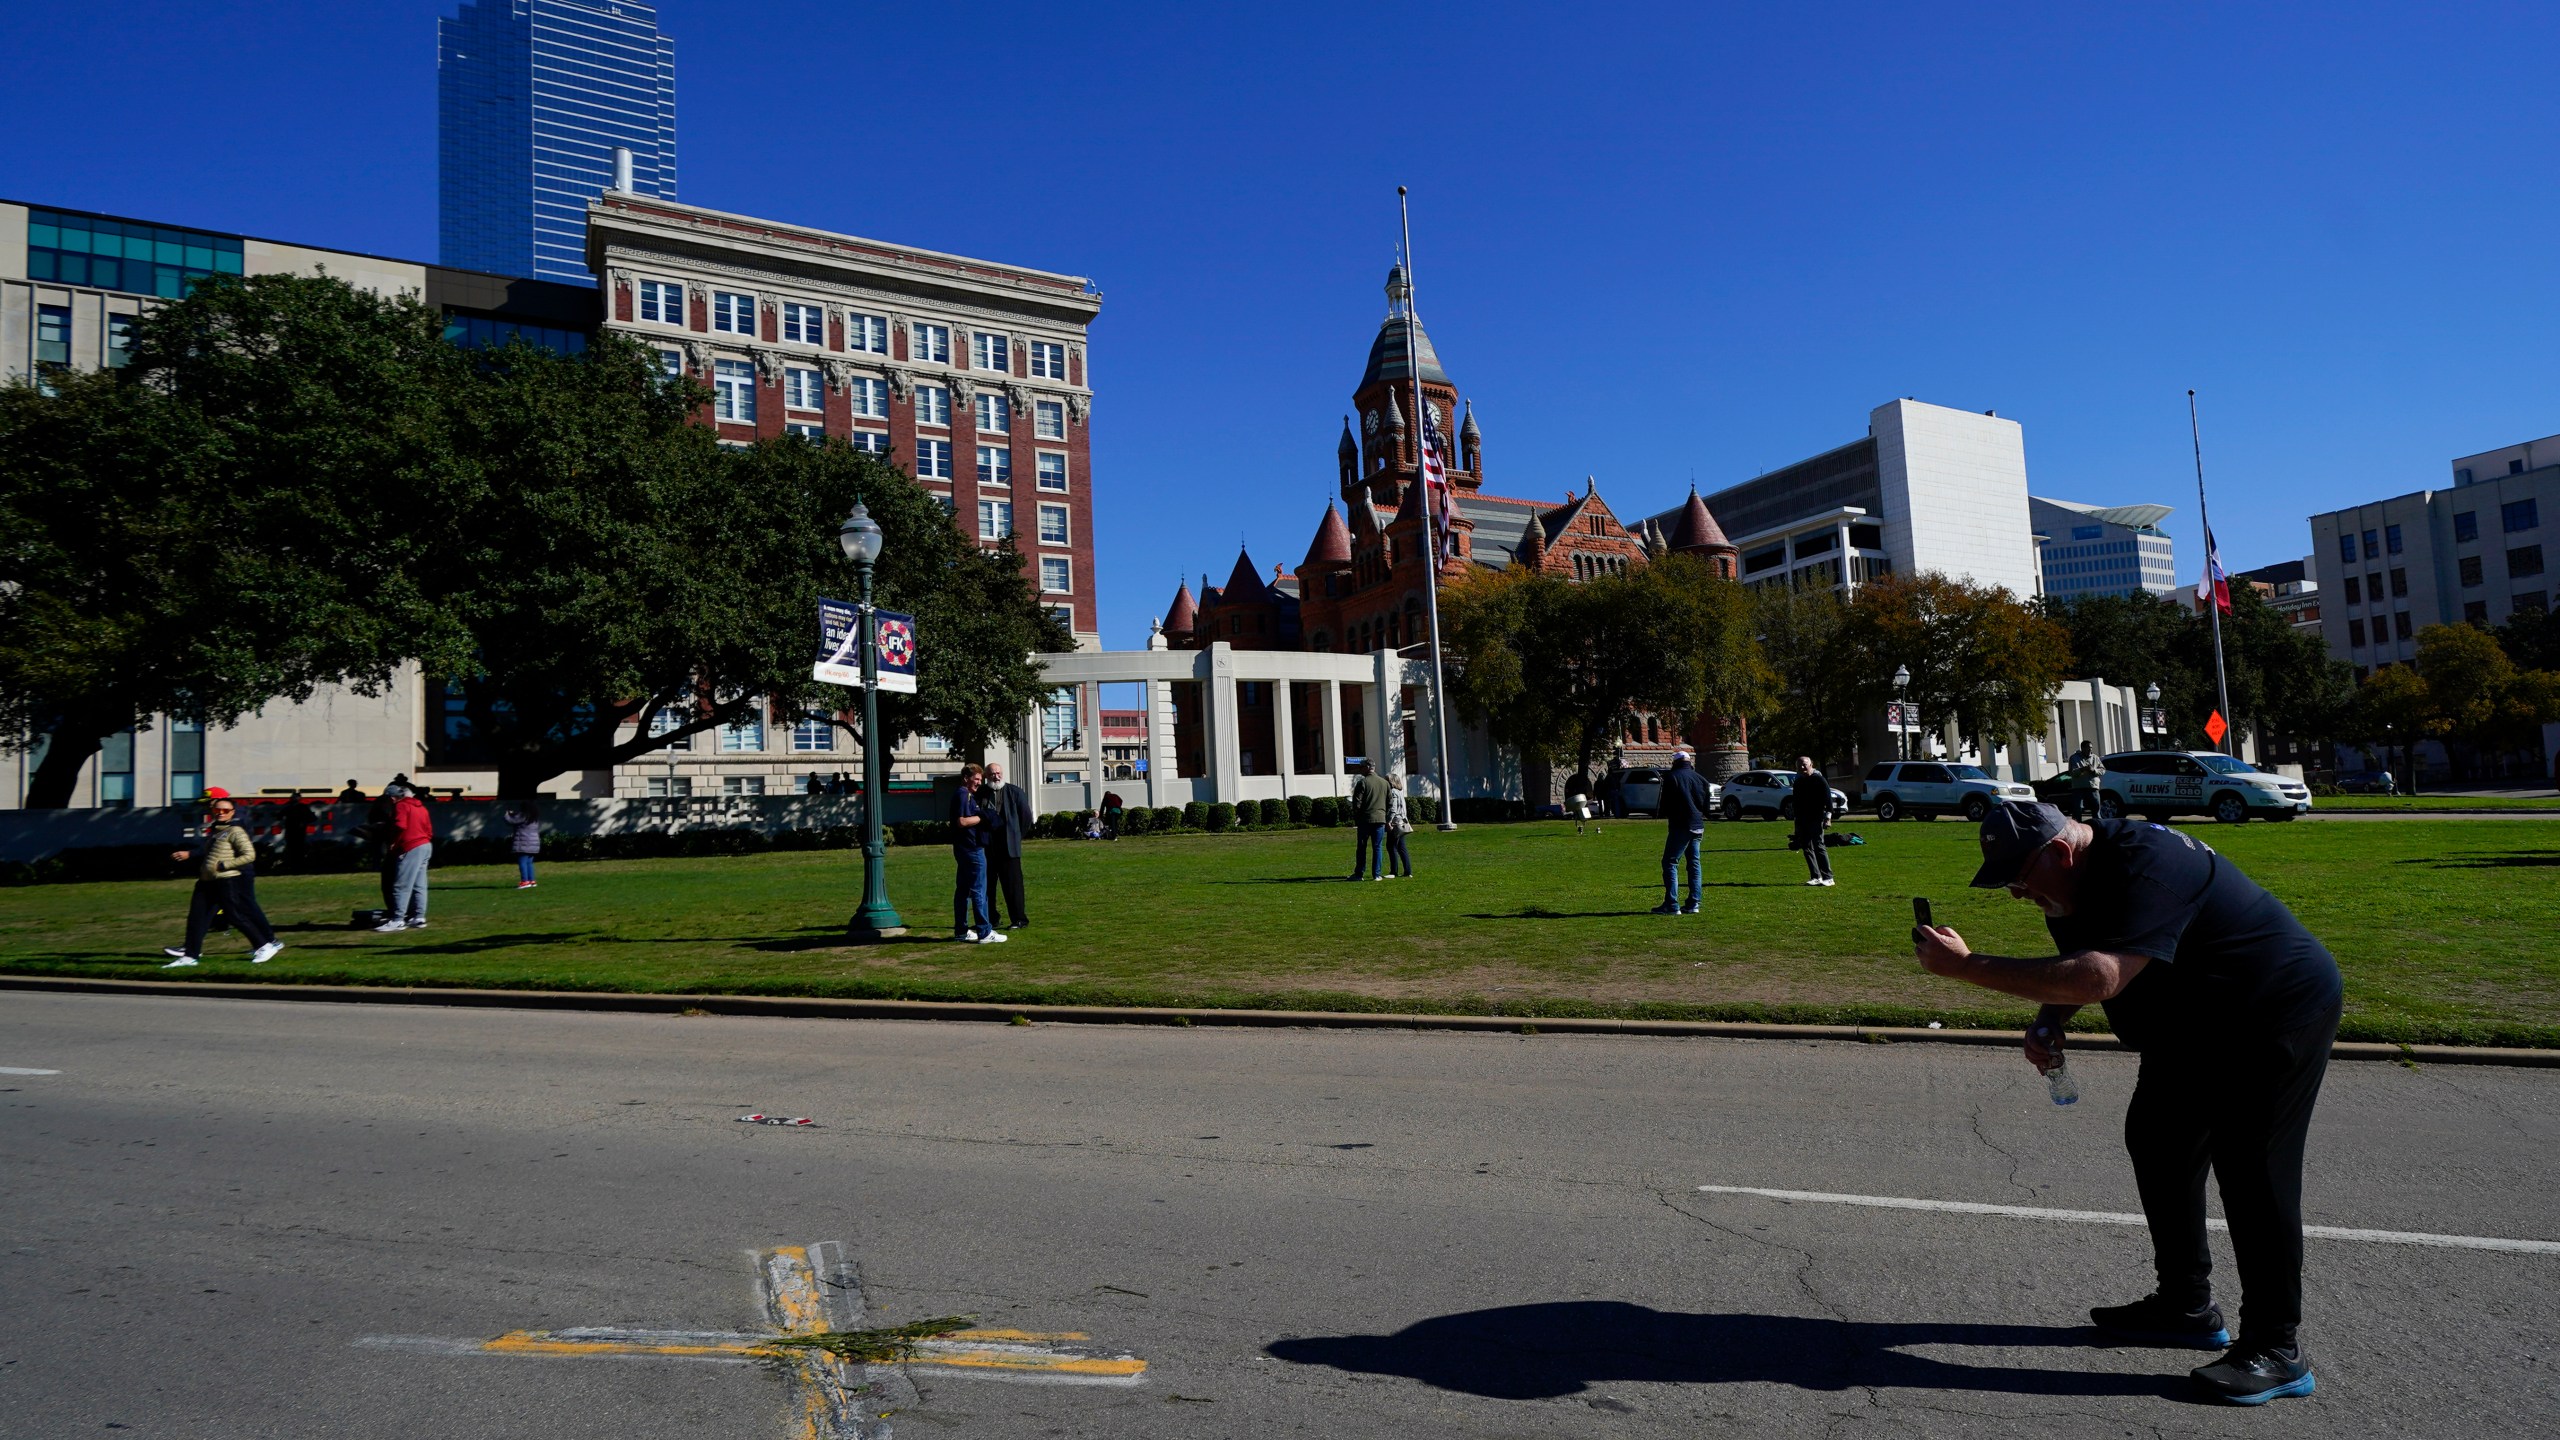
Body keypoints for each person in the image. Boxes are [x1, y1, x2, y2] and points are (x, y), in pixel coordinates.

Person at [1913, 801, 2343, 1406]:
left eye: (2019, 877)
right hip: (2194, 1025)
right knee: (2158, 1140)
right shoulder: (2068, 884)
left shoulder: (2148, 862)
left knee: (2252, 1169)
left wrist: (1964, 967)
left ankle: (2277, 1348)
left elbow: (2098, 975)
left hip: (2271, 1010)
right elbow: (2076, 966)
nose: (2016, 894)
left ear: (2061, 852)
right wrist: (2048, 1019)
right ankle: (2185, 1307)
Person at [162, 793, 282, 967]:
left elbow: (249, 855)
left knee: (236, 914)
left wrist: (226, 865)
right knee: (197, 917)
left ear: (232, 812)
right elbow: (209, 852)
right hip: (207, 880)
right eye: (217, 809)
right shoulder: (217, 829)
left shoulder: (235, 829)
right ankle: (190, 955)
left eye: (225, 810)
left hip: (228, 879)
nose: (220, 812)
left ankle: (265, 944)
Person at [947, 764, 1004, 944]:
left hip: (963, 848)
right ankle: (984, 932)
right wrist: (983, 816)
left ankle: (961, 931)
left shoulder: (961, 794)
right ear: (966, 778)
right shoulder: (964, 794)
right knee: (979, 889)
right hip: (972, 848)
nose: (979, 783)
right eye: (976, 779)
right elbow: (962, 821)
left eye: (980, 779)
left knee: (963, 890)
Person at [1653, 749, 1713, 915]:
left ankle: (1672, 904)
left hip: (1681, 824)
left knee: (1670, 862)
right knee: (1694, 864)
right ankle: (1694, 903)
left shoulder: (1672, 777)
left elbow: (1666, 804)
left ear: (1676, 762)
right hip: (1698, 823)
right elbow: (1706, 803)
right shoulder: (1700, 778)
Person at [981, 760, 1035, 929]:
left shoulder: (1015, 792)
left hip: (1009, 848)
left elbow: (1026, 817)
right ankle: (991, 919)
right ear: (986, 776)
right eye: (991, 774)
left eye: (998, 773)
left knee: (1013, 886)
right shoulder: (980, 793)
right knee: (987, 886)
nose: (995, 777)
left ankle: (1019, 919)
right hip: (987, 848)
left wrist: (1016, 836)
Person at [377, 784, 434, 932]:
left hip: (410, 846)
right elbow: (428, 829)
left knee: (401, 884)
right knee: (419, 884)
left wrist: (393, 842)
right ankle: (418, 917)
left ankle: (397, 919)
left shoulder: (401, 806)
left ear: (391, 798)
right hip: (425, 845)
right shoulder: (421, 807)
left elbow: (400, 826)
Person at [1792, 756, 1836, 887]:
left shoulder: (1819, 780)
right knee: (1806, 847)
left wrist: (1828, 817)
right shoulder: (1798, 782)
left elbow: (1828, 800)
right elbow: (1796, 803)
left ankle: (1828, 877)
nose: (1802, 767)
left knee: (1819, 845)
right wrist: (1796, 822)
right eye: (1799, 765)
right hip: (1802, 819)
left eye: (1804, 764)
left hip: (1816, 817)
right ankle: (1815, 876)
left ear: (1811, 764)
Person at [1348, 761, 1390, 880]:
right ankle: (1376, 874)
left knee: (1362, 847)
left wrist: (1357, 816)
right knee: (1377, 847)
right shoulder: (1384, 783)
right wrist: (1385, 815)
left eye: (1361, 767)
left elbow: (1357, 803)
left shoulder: (1363, 782)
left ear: (1367, 767)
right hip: (1380, 819)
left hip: (1365, 819)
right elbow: (1390, 802)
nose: (1360, 770)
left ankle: (1359, 873)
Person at [503, 799, 543, 889]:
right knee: (529, 863)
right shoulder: (534, 818)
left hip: (523, 842)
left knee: (522, 863)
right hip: (534, 844)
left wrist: (507, 814)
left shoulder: (523, 815)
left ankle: (524, 881)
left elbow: (510, 821)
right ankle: (532, 881)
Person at [1382, 772, 1415, 879]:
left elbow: (1393, 809)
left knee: (1391, 846)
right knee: (1401, 847)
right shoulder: (1400, 792)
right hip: (1402, 821)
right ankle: (1407, 870)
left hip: (1395, 822)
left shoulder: (1393, 792)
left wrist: (1388, 821)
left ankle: (1393, 871)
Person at [2067, 740, 2105, 822]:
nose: (2090, 750)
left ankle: (2097, 825)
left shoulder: (2095, 757)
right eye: (2088, 748)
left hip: (2093, 787)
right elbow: (2071, 772)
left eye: (2091, 748)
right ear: (2082, 748)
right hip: (2078, 787)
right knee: (2078, 809)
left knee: (2096, 807)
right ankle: (2077, 827)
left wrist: (2094, 770)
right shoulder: (2074, 758)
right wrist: (2082, 769)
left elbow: (2103, 770)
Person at [280, 794, 314, 873]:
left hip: (293, 830)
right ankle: (298, 865)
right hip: (297, 830)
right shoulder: (302, 807)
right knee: (298, 848)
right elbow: (312, 818)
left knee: (294, 848)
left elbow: (279, 815)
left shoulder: (289, 807)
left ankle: (295, 865)